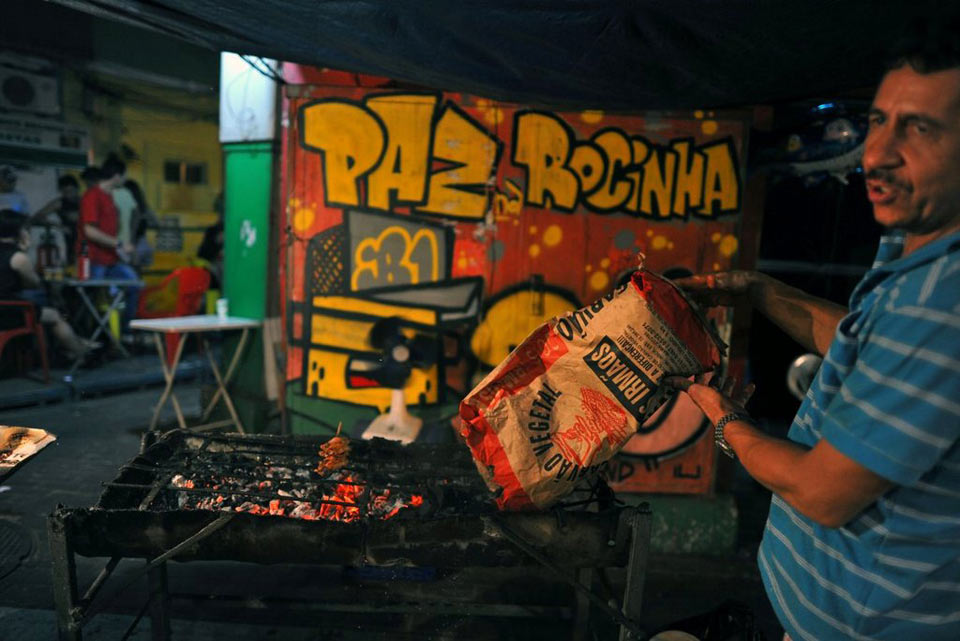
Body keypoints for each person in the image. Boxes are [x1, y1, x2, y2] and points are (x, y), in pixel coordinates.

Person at [669, 18, 960, 641]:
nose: (878, 152)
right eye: (880, 120)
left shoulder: (943, 303)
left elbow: (824, 494)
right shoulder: (923, 259)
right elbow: (862, 347)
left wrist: (723, 421)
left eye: (920, 128)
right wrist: (762, 292)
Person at [0, 209, 96, 360]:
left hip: (6, 307)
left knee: (43, 305)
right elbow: (34, 284)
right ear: (19, 232)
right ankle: (81, 354)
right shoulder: (18, 258)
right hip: (6, 313)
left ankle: (75, 345)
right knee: (54, 314)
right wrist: (25, 249)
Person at [76, 155, 141, 337]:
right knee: (93, 298)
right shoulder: (92, 196)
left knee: (134, 285)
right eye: (124, 175)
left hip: (110, 257)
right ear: (117, 176)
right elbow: (89, 230)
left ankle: (125, 331)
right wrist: (119, 243)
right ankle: (95, 337)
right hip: (92, 257)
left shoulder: (109, 197)